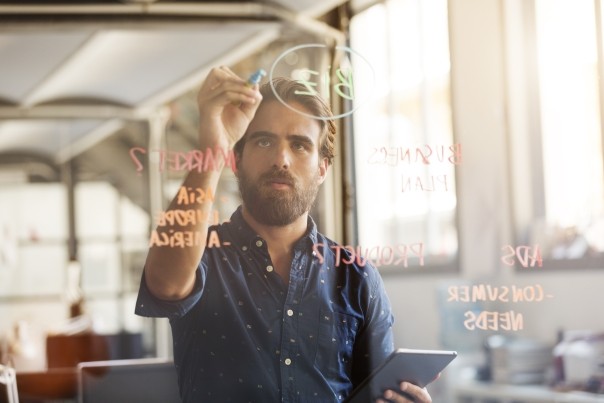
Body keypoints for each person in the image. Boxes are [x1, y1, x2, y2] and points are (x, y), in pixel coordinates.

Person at [135, 66, 433, 403]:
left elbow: (377, 393)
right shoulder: (202, 253)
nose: (281, 159)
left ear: (322, 169)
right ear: (236, 160)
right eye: (263, 141)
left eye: (300, 145)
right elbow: (167, 285)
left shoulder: (356, 275)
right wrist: (213, 147)